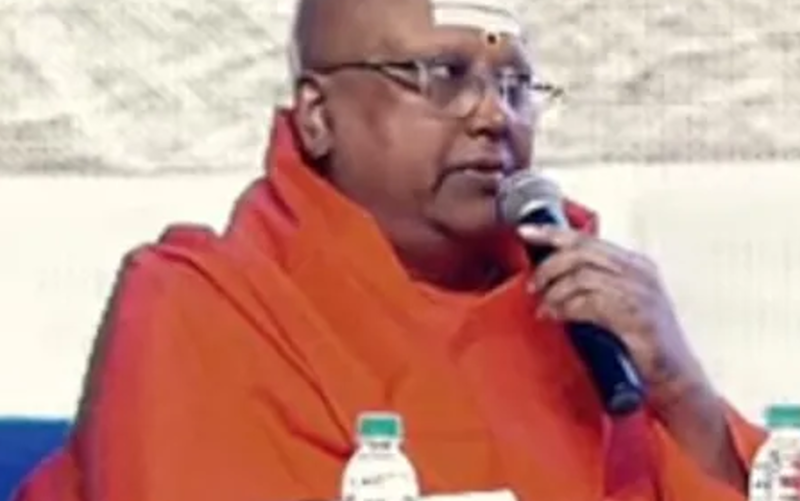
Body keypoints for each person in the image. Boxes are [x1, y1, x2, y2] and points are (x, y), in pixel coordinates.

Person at [15, 0, 765, 500]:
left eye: (516, 86)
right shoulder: (199, 303)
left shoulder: (587, 317)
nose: (494, 116)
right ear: (317, 116)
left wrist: (685, 398)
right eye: (443, 77)